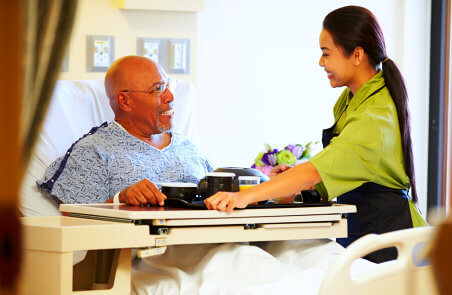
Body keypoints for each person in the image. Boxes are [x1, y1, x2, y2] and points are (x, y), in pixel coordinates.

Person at [205, 5, 427, 263]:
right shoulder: (353, 98)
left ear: (357, 55)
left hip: (391, 240)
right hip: (364, 232)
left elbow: (316, 170)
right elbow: (341, 165)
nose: (321, 63)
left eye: (326, 54)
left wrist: (244, 197)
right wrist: (296, 189)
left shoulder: (374, 117)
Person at [38, 55, 213, 205]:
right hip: (150, 243)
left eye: (168, 85)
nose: (171, 97)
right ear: (125, 101)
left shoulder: (188, 148)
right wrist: (119, 199)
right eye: (158, 89)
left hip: (213, 236)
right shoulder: (93, 151)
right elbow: (74, 222)